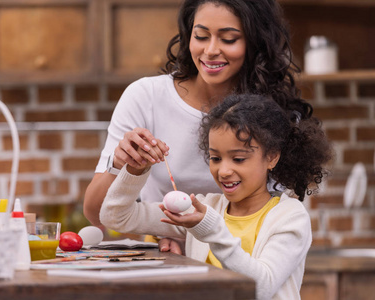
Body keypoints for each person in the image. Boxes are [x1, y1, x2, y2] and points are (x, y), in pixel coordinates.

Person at [84, 0, 311, 253]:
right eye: (201, 36)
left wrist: (196, 238)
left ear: (255, 43)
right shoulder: (145, 97)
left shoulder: (272, 113)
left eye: (228, 39)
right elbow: (99, 214)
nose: (211, 50)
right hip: (166, 256)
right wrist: (121, 165)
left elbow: (274, 219)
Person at [100, 94, 332, 300]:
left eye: (238, 159)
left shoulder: (288, 216)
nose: (223, 171)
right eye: (215, 158)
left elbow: (258, 288)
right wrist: (135, 169)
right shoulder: (206, 208)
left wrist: (208, 228)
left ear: (271, 157)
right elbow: (116, 216)